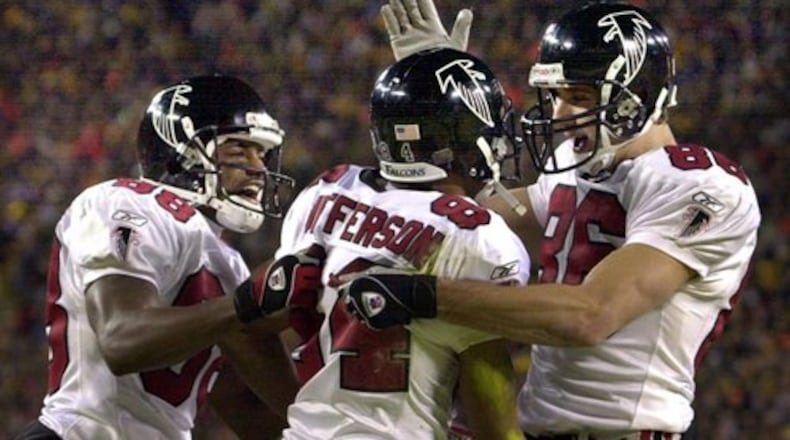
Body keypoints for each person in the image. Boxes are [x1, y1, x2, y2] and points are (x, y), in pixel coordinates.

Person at [341, 1, 762, 439]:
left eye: (578, 96)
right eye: (556, 95)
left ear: (637, 96)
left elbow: (591, 316)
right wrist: (440, 101)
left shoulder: (701, 185)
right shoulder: (577, 163)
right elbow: (463, 217)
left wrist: (423, 295)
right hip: (540, 426)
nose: (560, 113)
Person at [15, 75, 321, 440]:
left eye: (263, 153)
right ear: (183, 153)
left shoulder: (228, 264)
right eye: (239, 151)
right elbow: (122, 339)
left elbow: (250, 406)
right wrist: (246, 304)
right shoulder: (125, 202)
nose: (258, 168)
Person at [272, 48, 529, 440]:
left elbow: (273, 319)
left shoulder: (328, 191)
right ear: (464, 142)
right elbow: (488, 397)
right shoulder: (478, 235)